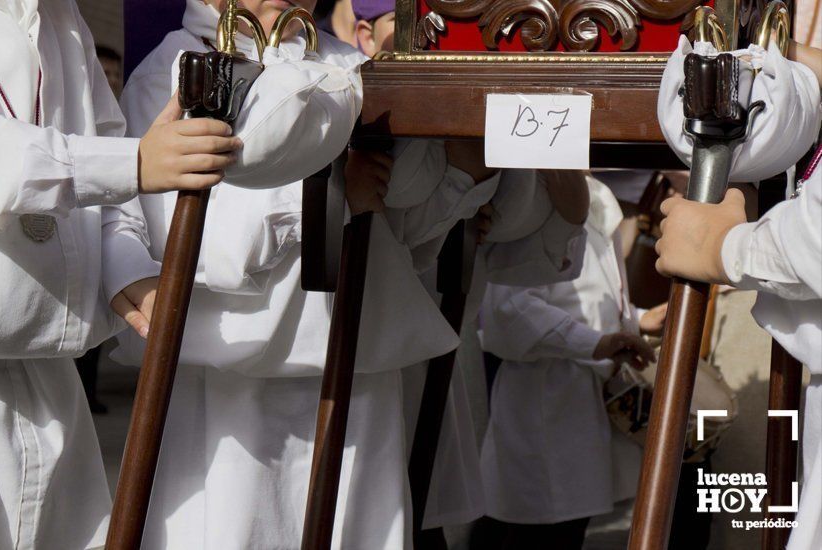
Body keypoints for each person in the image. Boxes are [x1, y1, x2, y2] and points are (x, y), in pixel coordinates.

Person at [117, 1, 507, 547]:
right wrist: (327, 195)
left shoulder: (347, 63)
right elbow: (184, 236)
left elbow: (405, 239)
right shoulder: (177, 68)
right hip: (233, 386)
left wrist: (463, 176)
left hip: (355, 374)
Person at [0, 0, 240, 548]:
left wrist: (123, 267)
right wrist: (132, 165)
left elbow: (110, 155)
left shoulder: (63, 20)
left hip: (50, 376)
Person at [656, 38, 821, 550]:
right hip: (757, 304)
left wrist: (726, 249)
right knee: (736, 501)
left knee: (755, 502)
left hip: (771, 289)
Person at [477, 176, 662, 550]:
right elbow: (509, 311)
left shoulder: (594, 204)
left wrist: (636, 319)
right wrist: (596, 343)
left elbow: (593, 297)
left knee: (567, 529)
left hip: (580, 404)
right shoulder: (528, 203)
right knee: (539, 533)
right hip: (543, 402)